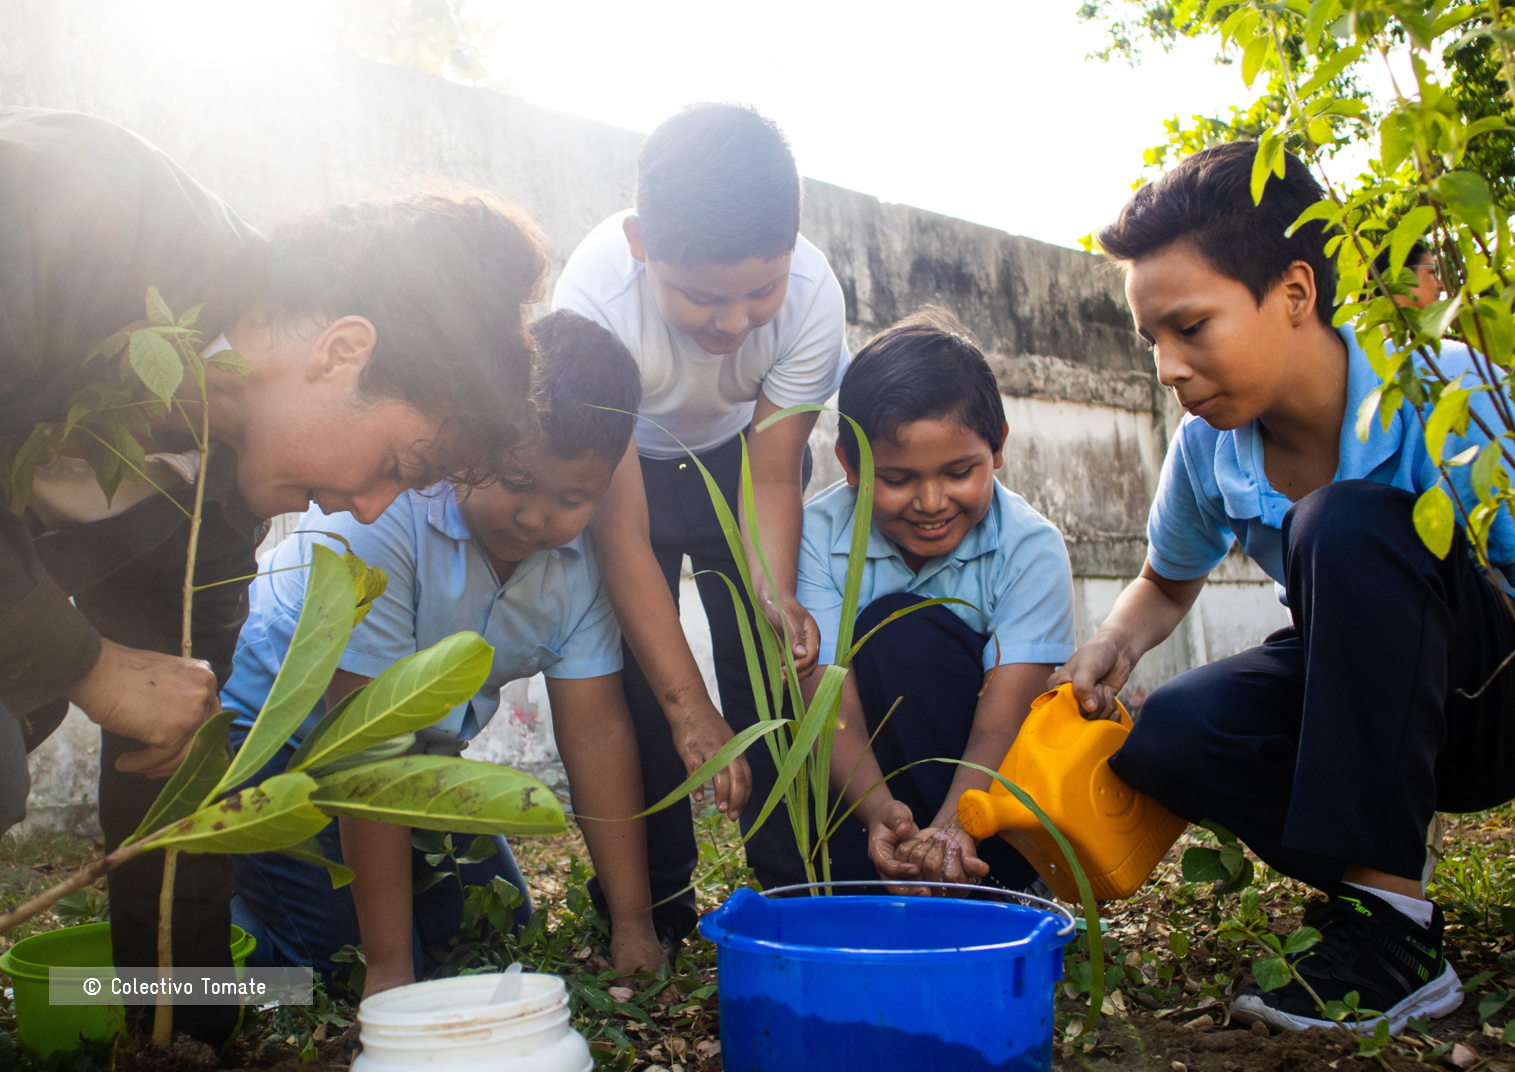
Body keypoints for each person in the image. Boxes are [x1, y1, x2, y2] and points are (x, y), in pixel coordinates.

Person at [0, 107, 548, 1043]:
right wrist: (88, 666)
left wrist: (178, 1028)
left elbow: (172, 781)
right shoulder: (85, 209)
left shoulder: (217, 511)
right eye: (397, 466)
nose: (374, 509)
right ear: (342, 351)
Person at [1055, 141, 1515, 1033]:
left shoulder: (1445, 395)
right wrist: (1110, 644)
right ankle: (1382, 890)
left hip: (1491, 697)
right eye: (1152, 340)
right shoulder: (1208, 449)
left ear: (1296, 293)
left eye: (1191, 327)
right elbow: (1163, 580)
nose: (1166, 367)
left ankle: (1388, 929)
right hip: (1374, 716)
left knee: (1342, 523)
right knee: (1172, 736)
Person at [224, 310, 665, 993]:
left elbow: (598, 731)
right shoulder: (381, 520)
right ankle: (209, 921)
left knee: (500, 936)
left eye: (573, 498)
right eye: (516, 482)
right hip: (275, 751)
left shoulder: (582, 563)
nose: (537, 517)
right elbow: (365, 748)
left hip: (419, 765)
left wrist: (633, 923)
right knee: (338, 972)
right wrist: (388, 969)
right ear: (473, 444)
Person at [552, 103, 849, 924]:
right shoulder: (592, 301)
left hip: (744, 464)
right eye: (700, 297)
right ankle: (653, 903)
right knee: (647, 691)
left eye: (760, 290)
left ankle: (793, 889)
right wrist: (688, 705)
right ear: (643, 243)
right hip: (628, 467)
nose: (733, 321)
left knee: (770, 666)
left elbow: (773, 474)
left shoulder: (814, 297)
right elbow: (619, 530)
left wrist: (774, 594)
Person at [793, 310, 1076, 891]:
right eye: (897, 479)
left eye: (957, 472)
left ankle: (1003, 885)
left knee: (904, 632)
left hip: (984, 806)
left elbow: (1006, 718)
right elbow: (822, 691)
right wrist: (879, 812)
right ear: (850, 465)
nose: (930, 501)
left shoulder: (1031, 548)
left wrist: (951, 831)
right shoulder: (816, 535)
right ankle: (865, 878)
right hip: (863, 798)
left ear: (996, 448)